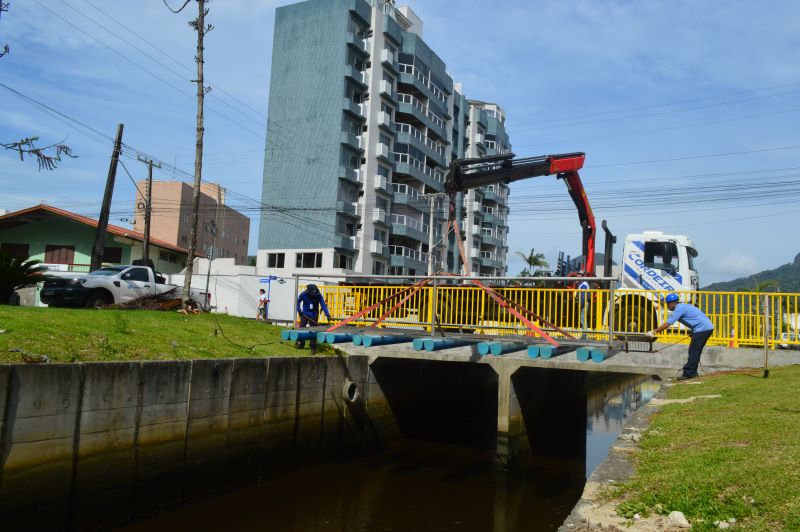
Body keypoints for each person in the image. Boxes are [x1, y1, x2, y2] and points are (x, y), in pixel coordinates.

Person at [648, 293, 714, 380]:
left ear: (672, 303)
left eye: (668, 304)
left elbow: (668, 323)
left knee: (693, 351)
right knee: (695, 351)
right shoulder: (684, 306)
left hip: (702, 329)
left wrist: (654, 331)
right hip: (706, 328)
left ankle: (688, 374)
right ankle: (692, 372)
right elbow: (697, 318)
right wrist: (694, 331)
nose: (667, 306)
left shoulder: (679, 309)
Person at [296, 284, 331, 353]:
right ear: (309, 291)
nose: (315, 294)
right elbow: (298, 302)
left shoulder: (318, 295)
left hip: (314, 314)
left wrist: (327, 314)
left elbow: (323, 304)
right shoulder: (303, 294)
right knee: (302, 328)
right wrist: (299, 310)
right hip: (305, 314)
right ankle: (301, 343)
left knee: (314, 330)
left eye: (315, 292)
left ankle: (313, 346)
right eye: (313, 293)